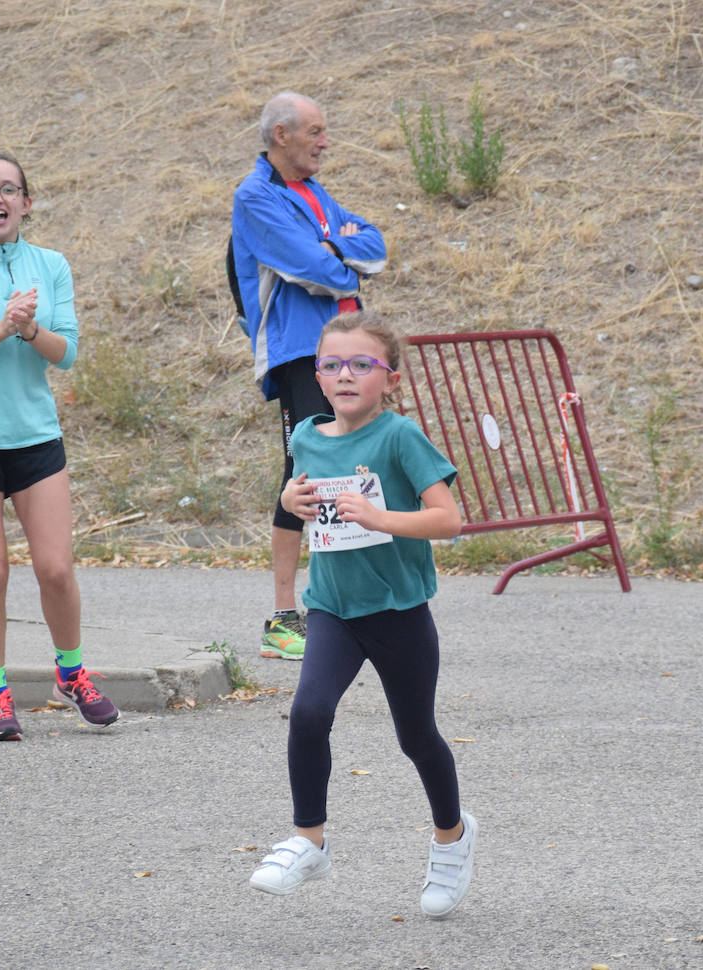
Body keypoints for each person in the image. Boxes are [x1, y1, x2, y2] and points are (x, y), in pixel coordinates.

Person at [247, 311, 477, 918]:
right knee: (308, 711)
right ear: (317, 378)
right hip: (333, 609)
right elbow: (301, 502)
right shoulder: (306, 438)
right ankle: (310, 840)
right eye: (331, 364)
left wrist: (380, 518)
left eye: (360, 364)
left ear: (390, 378)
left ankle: (452, 839)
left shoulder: (400, 438)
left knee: (416, 736)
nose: (344, 374)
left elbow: (449, 520)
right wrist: (291, 500)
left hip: (398, 612)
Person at [0, 152, 120, 741]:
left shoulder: (51, 265)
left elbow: (68, 353)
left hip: (35, 437)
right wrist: (2, 328)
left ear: (26, 203)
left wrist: (31, 330)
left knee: (56, 569)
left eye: (8, 189)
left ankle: (72, 673)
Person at [231, 90, 387, 662]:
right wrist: (334, 248)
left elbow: (375, 247)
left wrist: (335, 248)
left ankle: (345, 607)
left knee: (353, 466)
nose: (326, 141)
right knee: (304, 469)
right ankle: (282, 617)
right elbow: (321, 271)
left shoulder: (314, 191)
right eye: (316, 131)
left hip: (347, 346)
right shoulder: (256, 197)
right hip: (302, 352)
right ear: (282, 136)